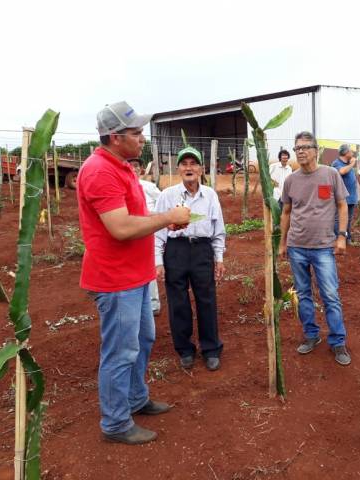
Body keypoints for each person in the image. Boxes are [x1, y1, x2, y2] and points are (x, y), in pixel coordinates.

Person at [77, 101, 190, 445]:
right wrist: (169, 216)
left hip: (135, 275)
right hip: (115, 280)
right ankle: (115, 423)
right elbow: (121, 227)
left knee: (142, 341)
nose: (143, 138)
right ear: (115, 137)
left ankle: (135, 399)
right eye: (136, 132)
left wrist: (160, 224)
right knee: (120, 351)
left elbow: (134, 221)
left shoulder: (122, 166)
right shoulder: (100, 171)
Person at [279, 131, 352, 366]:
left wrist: (341, 236)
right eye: (297, 147)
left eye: (304, 147)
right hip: (297, 247)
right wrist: (282, 243)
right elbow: (286, 212)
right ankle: (311, 336)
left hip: (323, 247)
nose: (300, 151)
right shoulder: (291, 180)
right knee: (303, 294)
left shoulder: (330, 175)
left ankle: (338, 341)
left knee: (330, 295)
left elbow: (342, 206)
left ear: (316, 150)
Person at [154, 146, 226, 371]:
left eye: (193, 164)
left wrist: (219, 257)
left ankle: (211, 349)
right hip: (176, 250)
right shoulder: (167, 196)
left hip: (202, 249)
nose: (189, 168)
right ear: (178, 169)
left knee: (207, 299)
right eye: (184, 164)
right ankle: (184, 349)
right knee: (178, 302)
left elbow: (218, 230)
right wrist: (158, 260)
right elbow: (158, 230)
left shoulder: (210, 195)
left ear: (201, 169)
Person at [129, 159, 162, 316]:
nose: (133, 169)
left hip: (149, 230)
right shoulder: (122, 188)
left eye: (136, 166)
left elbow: (161, 202)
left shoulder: (148, 187)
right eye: (130, 165)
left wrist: (157, 219)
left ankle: (153, 303)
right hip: (130, 232)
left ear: (141, 169)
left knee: (150, 265)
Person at [332, 144, 359, 242]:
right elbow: (342, 172)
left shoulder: (348, 163)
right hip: (342, 197)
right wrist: (352, 164)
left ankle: (347, 237)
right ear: (346, 153)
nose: (352, 153)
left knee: (349, 219)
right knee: (338, 219)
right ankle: (337, 238)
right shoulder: (336, 163)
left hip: (351, 197)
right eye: (351, 151)